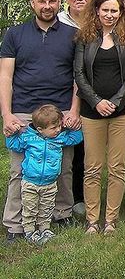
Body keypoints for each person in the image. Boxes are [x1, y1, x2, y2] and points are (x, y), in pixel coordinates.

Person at [2, 0, 80, 244]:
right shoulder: (15, 34)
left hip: (61, 112)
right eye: (41, 2)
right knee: (20, 171)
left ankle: (62, 212)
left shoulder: (73, 35)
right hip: (24, 112)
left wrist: (75, 110)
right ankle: (14, 222)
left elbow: (78, 78)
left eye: (52, 1)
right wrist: (7, 114)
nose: (47, 6)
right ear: (32, 3)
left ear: (59, 3)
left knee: (63, 168)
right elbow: (5, 76)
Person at [73, 0, 125, 235]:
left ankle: (110, 219)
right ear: (97, 11)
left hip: (123, 111)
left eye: (115, 10)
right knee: (92, 167)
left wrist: (115, 101)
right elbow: (79, 73)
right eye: (106, 10)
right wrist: (96, 101)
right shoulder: (85, 36)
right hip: (92, 112)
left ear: (121, 12)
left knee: (116, 167)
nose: (110, 15)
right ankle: (92, 220)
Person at [5, 105, 82, 245]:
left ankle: (44, 228)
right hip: (30, 182)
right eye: (54, 128)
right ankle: (29, 231)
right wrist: (12, 134)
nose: (58, 130)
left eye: (59, 126)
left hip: (50, 182)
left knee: (46, 207)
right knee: (30, 207)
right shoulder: (29, 139)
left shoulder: (59, 139)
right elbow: (13, 145)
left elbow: (76, 139)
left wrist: (71, 127)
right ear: (40, 129)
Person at [58, 0, 92, 217]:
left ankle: (80, 197)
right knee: (62, 147)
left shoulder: (98, 19)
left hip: (91, 90)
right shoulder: (58, 22)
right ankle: (59, 198)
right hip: (62, 89)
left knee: (84, 148)